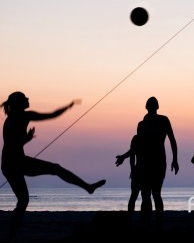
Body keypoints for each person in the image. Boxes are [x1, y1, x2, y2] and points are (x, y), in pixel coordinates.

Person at [1, 91, 106, 236]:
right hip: (14, 163)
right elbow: (11, 142)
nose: (28, 98)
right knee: (51, 173)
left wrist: (68, 106)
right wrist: (27, 139)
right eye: (25, 98)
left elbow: (51, 115)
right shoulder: (15, 119)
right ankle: (88, 187)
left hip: (13, 163)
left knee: (24, 199)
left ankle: (10, 234)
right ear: (19, 103)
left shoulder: (22, 116)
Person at [136, 96, 179, 224]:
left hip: (156, 162)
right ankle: (148, 221)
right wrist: (175, 159)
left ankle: (153, 222)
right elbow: (139, 146)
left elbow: (172, 140)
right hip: (147, 162)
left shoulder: (163, 120)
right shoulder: (143, 124)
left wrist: (175, 159)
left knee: (152, 194)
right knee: (149, 194)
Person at [115, 134, 141, 214]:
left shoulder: (138, 138)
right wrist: (133, 170)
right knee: (138, 196)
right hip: (140, 170)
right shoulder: (137, 138)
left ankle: (142, 220)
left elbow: (132, 153)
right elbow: (132, 154)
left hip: (142, 170)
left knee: (136, 196)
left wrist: (133, 170)